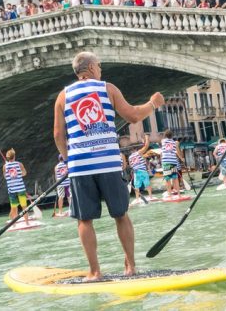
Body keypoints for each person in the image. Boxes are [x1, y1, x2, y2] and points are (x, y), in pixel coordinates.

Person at [53, 51, 165, 280]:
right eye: (99, 65)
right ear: (91, 68)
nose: (101, 69)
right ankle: (130, 267)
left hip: (80, 165)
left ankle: (94, 272)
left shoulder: (63, 96)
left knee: (85, 219)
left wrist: (69, 160)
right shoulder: (108, 88)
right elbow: (133, 116)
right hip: (108, 163)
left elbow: (57, 135)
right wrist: (153, 104)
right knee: (121, 215)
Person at [3, 149, 30, 225]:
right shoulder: (19, 164)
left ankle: (14, 225)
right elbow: (24, 173)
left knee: (14, 208)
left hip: (12, 190)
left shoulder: (5, 166)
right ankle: (27, 223)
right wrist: (18, 173)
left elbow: (5, 177)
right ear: (14, 156)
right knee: (24, 207)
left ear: (7, 157)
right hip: (21, 189)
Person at [129, 134, 153, 201]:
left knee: (137, 186)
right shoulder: (138, 152)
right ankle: (150, 197)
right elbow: (146, 146)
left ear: (131, 151)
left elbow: (131, 166)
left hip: (136, 173)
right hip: (142, 171)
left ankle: (137, 199)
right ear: (136, 149)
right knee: (147, 184)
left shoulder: (130, 157)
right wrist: (147, 138)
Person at [161, 129, 183, 198]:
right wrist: (181, 158)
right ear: (172, 136)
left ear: (165, 135)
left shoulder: (163, 141)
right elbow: (177, 152)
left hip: (166, 162)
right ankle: (179, 195)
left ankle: (170, 195)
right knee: (175, 179)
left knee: (167, 180)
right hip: (173, 162)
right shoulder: (174, 142)